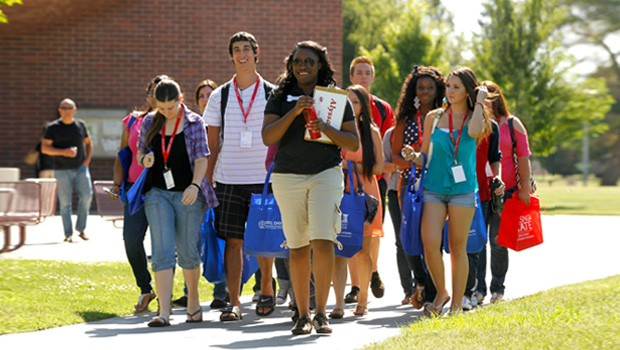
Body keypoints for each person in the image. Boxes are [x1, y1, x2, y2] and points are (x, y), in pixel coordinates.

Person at [262, 41, 359, 334]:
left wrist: (323, 125)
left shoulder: (335, 97)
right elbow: (268, 137)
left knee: (323, 240)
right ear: (291, 65)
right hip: (288, 176)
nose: (302, 66)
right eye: (297, 61)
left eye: (309, 61)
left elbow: (352, 143)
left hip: (325, 174)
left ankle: (321, 313)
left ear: (320, 66)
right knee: (298, 246)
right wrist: (293, 112)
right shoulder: (279, 96)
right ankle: (302, 315)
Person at [401, 67, 490, 315]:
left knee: (458, 248)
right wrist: (413, 155)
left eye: (456, 87)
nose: (450, 91)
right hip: (434, 188)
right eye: (449, 86)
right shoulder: (434, 117)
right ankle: (442, 292)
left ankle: (455, 305)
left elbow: (473, 133)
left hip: (462, 190)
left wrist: (481, 100)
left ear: (468, 91)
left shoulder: (476, 117)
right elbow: (425, 156)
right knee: (430, 242)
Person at [202, 32, 276, 321]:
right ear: (231, 56)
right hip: (229, 178)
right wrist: (207, 180)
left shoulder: (272, 93)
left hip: (264, 178)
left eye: (247, 48)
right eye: (236, 50)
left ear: (256, 53)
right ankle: (234, 302)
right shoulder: (220, 95)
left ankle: (267, 289)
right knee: (233, 241)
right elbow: (212, 142)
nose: (242, 54)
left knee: (265, 239)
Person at [137, 79, 218, 327]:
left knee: (188, 251)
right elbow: (140, 154)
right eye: (161, 108)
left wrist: (195, 186)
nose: (166, 112)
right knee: (161, 250)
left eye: (170, 108)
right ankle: (164, 311)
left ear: (180, 100)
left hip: (187, 192)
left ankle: (193, 303)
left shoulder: (195, 122)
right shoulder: (150, 121)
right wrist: (145, 160)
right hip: (157, 193)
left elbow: (203, 158)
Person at [108, 75, 168, 313]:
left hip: (164, 189)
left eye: (162, 91)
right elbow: (123, 154)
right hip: (136, 189)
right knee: (131, 239)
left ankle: (167, 295)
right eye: (153, 92)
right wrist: (116, 184)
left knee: (164, 243)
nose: (157, 96)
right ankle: (146, 288)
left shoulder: (175, 121)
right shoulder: (133, 120)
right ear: (148, 95)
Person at [172, 78, 229, 310]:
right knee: (191, 238)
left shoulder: (225, 125)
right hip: (195, 190)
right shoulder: (191, 125)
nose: (206, 100)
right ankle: (189, 291)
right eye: (202, 96)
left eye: (210, 95)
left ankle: (220, 292)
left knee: (219, 239)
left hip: (218, 187)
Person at [475, 80, 533, 305]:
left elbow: (524, 157)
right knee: (478, 241)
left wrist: (525, 189)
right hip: (479, 191)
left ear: (498, 98)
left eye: (491, 96)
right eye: (483, 96)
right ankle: (478, 289)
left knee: (499, 241)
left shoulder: (511, 123)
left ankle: (497, 288)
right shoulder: (474, 123)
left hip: (505, 192)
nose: (488, 100)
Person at [392, 66, 445, 310]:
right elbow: (395, 156)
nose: (424, 91)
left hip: (437, 183)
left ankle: (435, 292)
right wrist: (414, 158)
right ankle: (421, 283)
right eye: (420, 87)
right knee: (408, 236)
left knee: (432, 239)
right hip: (411, 183)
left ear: (438, 90)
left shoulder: (445, 117)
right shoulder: (406, 118)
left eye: (429, 87)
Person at [331, 85, 384, 318]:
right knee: (336, 249)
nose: (350, 106)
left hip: (362, 193)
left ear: (363, 106)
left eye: (354, 101)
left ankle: (363, 299)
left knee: (362, 250)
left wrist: (346, 165)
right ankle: (339, 304)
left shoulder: (370, 131)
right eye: (346, 101)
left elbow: (379, 167)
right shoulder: (334, 129)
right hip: (335, 191)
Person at [345, 56, 395, 302]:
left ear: (372, 78)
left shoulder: (383, 108)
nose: (364, 76)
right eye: (359, 73)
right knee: (347, 235)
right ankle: (356, 286)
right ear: (351, 77)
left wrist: (380, 173)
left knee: (371, 235)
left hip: (374, 181)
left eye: (368, 73)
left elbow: (385, 146)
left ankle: (372, 271)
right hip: (343, 184)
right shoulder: (340, 109)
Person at [463, 99, 503, 310]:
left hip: (484, 192)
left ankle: (480, 290)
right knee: (467, 245)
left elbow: (495, 157)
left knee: (480, 241)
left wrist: (498, 178)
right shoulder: (458, 121)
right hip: (458, 190)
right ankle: (469, 289)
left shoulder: (492, 126)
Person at [41, 98, 93, 243]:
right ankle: (68, 233)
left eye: (70, 107)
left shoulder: (80, 125)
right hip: (61, 169)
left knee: (87, 196)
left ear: (75, 110)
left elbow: (89, 143)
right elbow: (45, 148)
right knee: (65, 203)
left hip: (81, 168)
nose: (67, 110)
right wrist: (63, 152)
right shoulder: (53, 128)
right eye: (64, 108)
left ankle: (81, 228)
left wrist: (87, 160)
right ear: (59, 111)